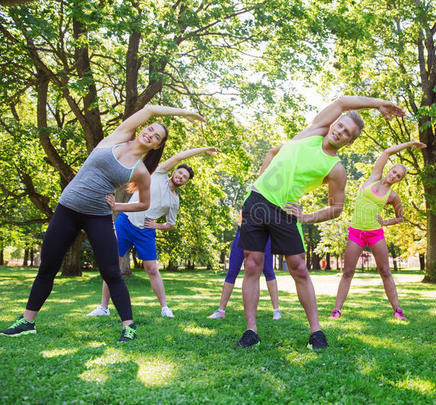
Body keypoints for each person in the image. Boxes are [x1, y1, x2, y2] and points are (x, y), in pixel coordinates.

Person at [0, 105, 204, 341]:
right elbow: (149, 109)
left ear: (157, 145)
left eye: (156, 137)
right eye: (150, 129)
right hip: (67, 209)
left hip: (97, 216)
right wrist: (184, 113)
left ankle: (129, 327)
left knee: (111, 272)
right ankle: (27, 321)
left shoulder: (141, 172)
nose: (150, 134)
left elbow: (144, 204)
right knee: (47, 267)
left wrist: (117, 207)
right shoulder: (118, 136)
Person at [237, 96, 405, 349]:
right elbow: (342, 101)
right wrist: (377, 104)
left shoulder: (336, 168)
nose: (339, 131)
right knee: (252, 265)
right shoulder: (313, 130)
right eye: (340, 125)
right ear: (335, 122)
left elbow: (337, 208)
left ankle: (316, 331)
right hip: (257, 202)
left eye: (346, 133)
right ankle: (251, 331)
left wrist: (306, 217)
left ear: (349, 141)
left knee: (299, 269)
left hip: (286, 212)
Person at [86, 145, 220, 319]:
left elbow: (171, 224)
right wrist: (204, 150)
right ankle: (103, 307)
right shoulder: (160, 174)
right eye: (180, 173)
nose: (180, 177)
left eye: (185, 177)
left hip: (145, 231)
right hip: (125, 222)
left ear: (186, 182)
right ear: (174, 172)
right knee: (113, 265)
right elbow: (179, 156)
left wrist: (157, 226)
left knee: (152, 269)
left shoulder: (174, 201)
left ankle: (164, 308)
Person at [330, 142, 426, 321]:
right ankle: (336, 310)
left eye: (398, 176)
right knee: (348, 272)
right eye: (394, 172)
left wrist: (386, 222)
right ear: (389, 170)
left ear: (399, 180)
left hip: (375, 233)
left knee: (385, 271)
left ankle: (397, 310)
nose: (394, 176)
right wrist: (411, 144)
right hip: (356, 232)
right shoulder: (374, 176)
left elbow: (400, 217)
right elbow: (387, 151)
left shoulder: (392, 195)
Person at [208, 214, 281, 320]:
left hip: (263, 233)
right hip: (243, 232)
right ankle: (221, 311)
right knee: (232, 271)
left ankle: (276, 311)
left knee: (268, 270)